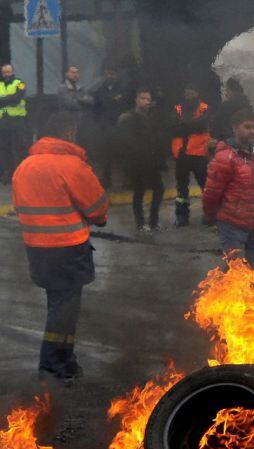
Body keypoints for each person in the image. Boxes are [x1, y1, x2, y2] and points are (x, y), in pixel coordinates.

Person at [12, 112, 108, 384]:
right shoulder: (71, 166)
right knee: (64, 310)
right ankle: (52, 366)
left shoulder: (25, 166)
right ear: (68, 132)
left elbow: (21, 207)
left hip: (37, 249)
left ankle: (65, 361)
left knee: (59, 306)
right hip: (67, 249)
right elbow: (97, 209)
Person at [203, 109, 254, 268]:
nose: (252, 131)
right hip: (233, 225)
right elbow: (212, 193)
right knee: (236, 273)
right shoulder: (225, 157)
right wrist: (212, 217)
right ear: (235, 128)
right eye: (247, 127)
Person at [117, 88, 169, 232]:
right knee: (139, 192)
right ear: (136, 100)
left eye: (148, 99)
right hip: (138, 162)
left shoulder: (151, 116)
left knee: (159, 189)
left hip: (151, 162)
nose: (146, 102)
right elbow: (127, 142)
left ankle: (153, 221)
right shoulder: (129, 118)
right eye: (143, 98)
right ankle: (140, 223)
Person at [172, 85, 212, 227]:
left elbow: (202, 124)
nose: (189, 95)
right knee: (181, 189)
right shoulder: (178, 108)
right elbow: (173, 126)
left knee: (205, 186)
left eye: (192, 92)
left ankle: (210, 214)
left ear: (197, 92)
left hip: (198, 153)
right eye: (187, 92)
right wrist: (190, 125)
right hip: (182, 154)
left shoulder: (204, 108)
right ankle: (182, 217)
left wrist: (185, 125)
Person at [92, 66, 131, 188]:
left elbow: (127, 106)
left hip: (119, 126)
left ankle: (127, 179)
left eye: (112, 73)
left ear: (117, 75)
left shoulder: (123, 90)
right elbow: (95, 109)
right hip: (105, 127)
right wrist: (99, 123)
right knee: (106, 155)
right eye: (108, 73)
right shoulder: (99, 91)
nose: (110, 76)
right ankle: (106, 180)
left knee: (123, 154)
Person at [0, 64, 27, 184]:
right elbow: (13, 98)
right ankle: (6, 174)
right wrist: (9, 98)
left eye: (8, 72)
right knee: (4, 149)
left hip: (17, 121)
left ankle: (21, 174)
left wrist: (3, 100)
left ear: (13, 72)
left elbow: (17, 98)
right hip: (3, 121)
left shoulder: (20, 82)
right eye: (4, 72)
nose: (6, 74)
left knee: (19, 147)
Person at [211, 77, 252, 143]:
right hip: (245, 140)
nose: (226, 94)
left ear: (231, 91)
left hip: (228, 141)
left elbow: (217, 125)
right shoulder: (248, 104)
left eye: (226, 90)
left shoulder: (226, 106)